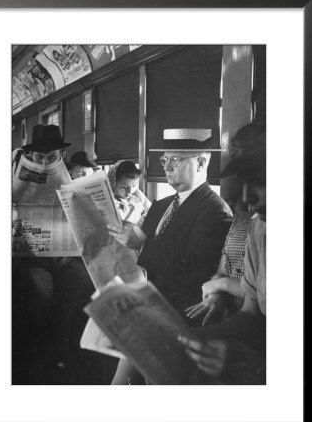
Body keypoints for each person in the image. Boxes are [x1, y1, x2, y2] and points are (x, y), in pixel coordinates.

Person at [108, 128, 232, 384]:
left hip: (181, 305)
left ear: (201, 162)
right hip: (150, 295)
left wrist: (143, 245)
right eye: (164, 161)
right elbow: (143, 255)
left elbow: (195, 269)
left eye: (175, 160)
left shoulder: (214, 209)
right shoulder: (161, 205)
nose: (167, 167)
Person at [180, 121, 266, 383]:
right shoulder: (259, 228)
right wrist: (193, 338)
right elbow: (251, 314)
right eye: (245, 182)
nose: (249, 197)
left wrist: (251, 363)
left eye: (261, 180)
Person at [12, 124, 96, 384]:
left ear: (60, 155)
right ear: (30, 156)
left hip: (68, 255)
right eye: (39, 158)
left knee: (84, 288)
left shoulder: (75, 177)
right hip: (34, 257)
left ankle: (74, 356)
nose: (46, 162)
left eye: (52, 157)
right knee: (40, 292)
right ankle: (43, 356)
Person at [107, 160, 152, 227]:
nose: (130, 191)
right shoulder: (107, 200)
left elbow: (151, 212)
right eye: (124, 187)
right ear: (113, 183)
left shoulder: (137, 194)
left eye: (133, 186)